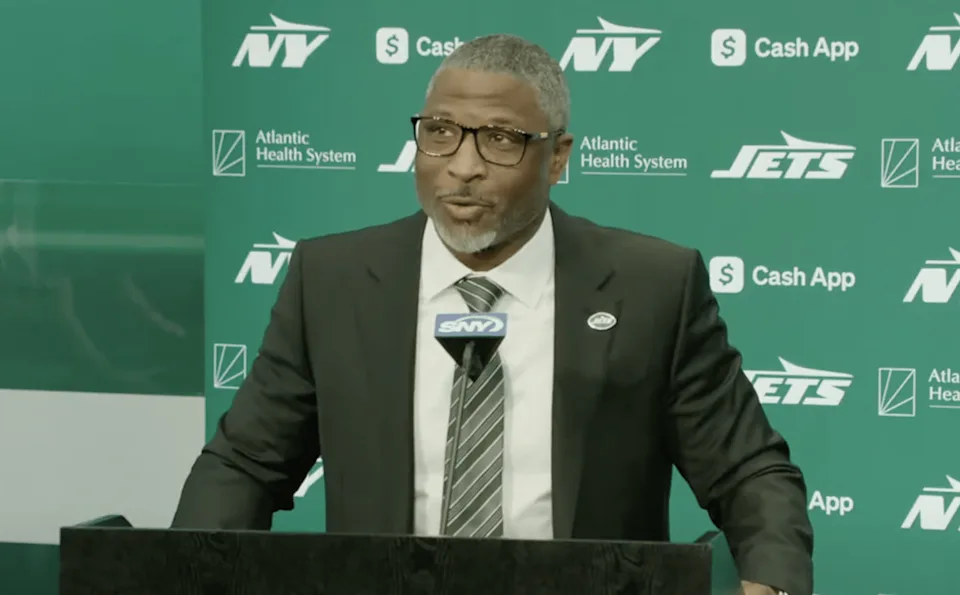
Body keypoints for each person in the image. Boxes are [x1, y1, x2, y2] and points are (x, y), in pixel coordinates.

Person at [172, 34, 813, 595]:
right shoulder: (334, 281)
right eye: (440, 132)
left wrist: (772, 582)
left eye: (501, 140)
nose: (463, 166)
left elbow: (748, 471)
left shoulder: (651, 288)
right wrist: (189, 573)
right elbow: (245, 466)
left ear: (557, 157)